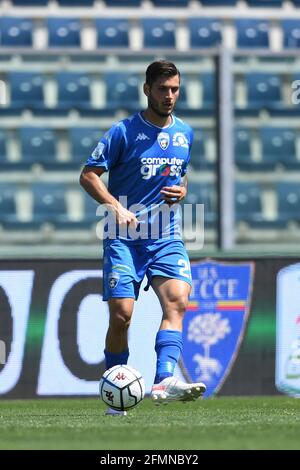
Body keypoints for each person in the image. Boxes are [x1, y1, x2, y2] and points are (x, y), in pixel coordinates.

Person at [80, 60, 206, 416]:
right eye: (164, 89)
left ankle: (163, 380)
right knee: (121, 316)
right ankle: (113, 389)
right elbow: (88, 175)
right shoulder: (123, 131)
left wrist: (181, 192)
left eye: (175, 89)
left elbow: (181, 178)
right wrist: (114, 206)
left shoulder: (185, 133)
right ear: (147, 89)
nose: (170, 96)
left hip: (165, 236)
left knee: (178, 301)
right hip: (123, 236)